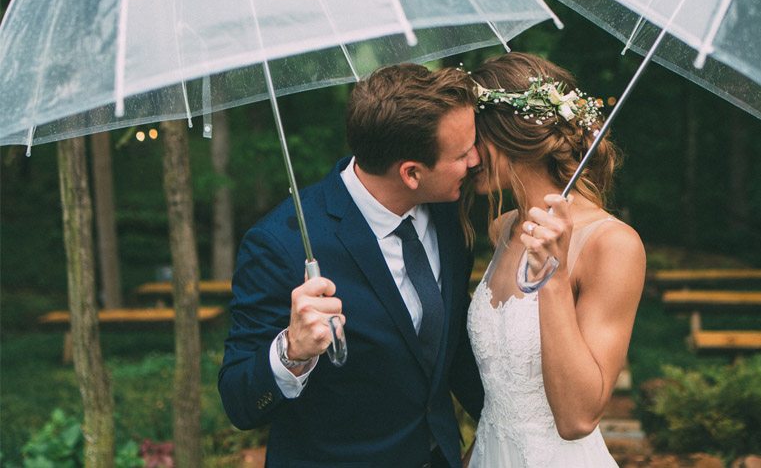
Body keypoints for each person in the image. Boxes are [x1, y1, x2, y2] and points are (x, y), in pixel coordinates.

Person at [218, 63, 485, 467]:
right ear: (411, 173)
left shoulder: (448, 214)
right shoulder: (280, 244)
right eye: (463, 153)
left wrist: (505, 426)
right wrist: (291, 352)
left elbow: (448, 340)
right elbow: (239, 402)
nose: (476, 159)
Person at [463, 52, 645, 467]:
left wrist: (554, 278)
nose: (468, 157)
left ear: (514, 136)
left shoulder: (613, 244)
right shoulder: (504, 228)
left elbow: (578, 417)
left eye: (475, 139)